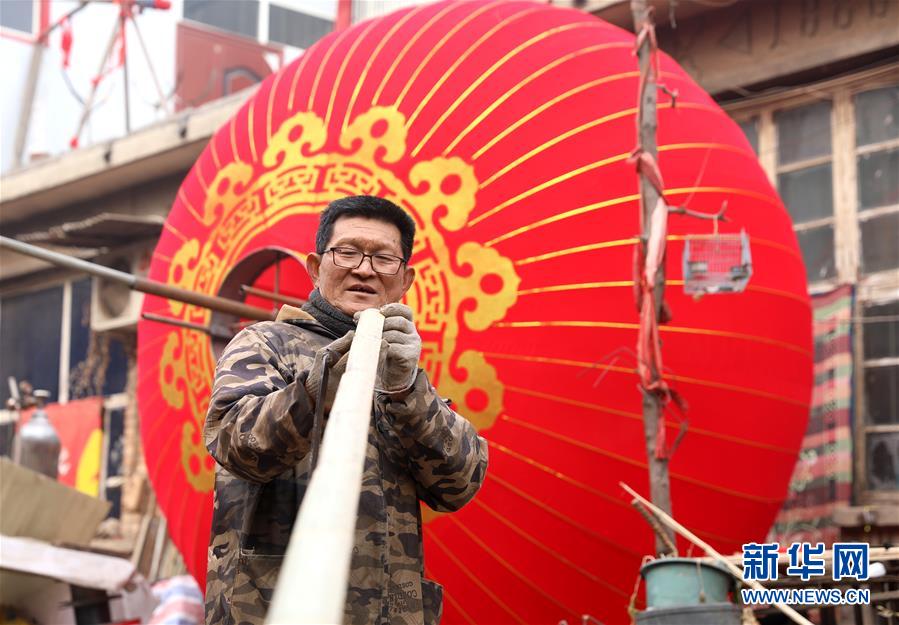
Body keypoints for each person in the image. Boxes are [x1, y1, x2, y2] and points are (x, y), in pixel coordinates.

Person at [203, 195, 488, 625]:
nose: (364, 270)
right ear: (315, 267)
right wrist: (318, 390)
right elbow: (234, 441)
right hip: (272, 607)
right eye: (348, 253)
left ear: (405, 279)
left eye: (383, 259)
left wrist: (408, 390)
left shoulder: (401, 371)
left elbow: (459, 484)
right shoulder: (265, 343)